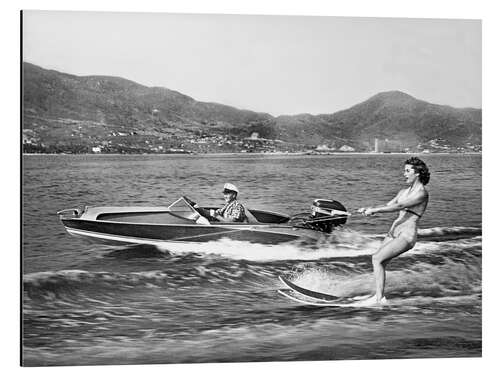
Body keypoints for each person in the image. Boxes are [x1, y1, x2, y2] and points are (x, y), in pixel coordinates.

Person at [356, 157, 430, 306]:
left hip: (406, 235)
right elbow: (389, 205)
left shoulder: (421, 193)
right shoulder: (403, 191)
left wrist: (375, 210)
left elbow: (399, 206)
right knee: (380, 262)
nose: (404, 174)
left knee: (377, 258)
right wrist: (368, 209)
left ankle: (379, 300)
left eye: (407, 171)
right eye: (405, 170)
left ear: (417, 173)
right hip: (393, 231)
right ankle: (378, 296)